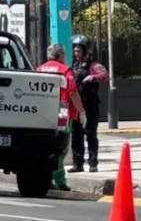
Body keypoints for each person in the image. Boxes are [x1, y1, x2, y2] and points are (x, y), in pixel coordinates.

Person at [37, 44, 87, 192]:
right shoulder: (65, 71)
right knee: (61, 148)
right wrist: (82, 111)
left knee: (47, 146)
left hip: (44, 114)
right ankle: (58, 179)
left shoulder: (40, 69)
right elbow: (73, 92)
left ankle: (48, 176)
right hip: (62, 114)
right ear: (60, 56)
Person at [68, 35, 108, 173]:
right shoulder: (73, 66)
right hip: (76, 106)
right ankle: (77, 163)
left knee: (90, 135)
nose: (76, 54)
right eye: (75, 51)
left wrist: (92, 77)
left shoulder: (93, 65)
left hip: (90, 105)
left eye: (79, 51)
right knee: (76, 135)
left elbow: (104, 75)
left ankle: (93, 163)